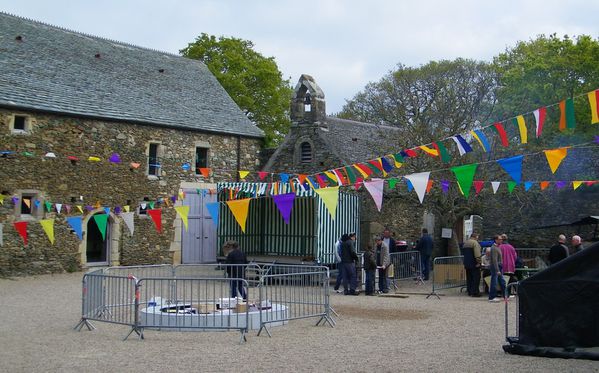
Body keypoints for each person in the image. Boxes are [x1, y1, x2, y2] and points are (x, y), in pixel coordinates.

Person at [462, 233, 482, 297]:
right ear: (475, 237)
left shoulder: (465, 243)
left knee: (469, 278)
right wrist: (479, 262)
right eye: (477, 237)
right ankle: (475, 292)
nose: (477, 238)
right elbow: (477, 254)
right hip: (474, 263)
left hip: (467, 264)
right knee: (476, 278)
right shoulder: (475, 243)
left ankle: (470, 291)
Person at [488, 234, 507, 302]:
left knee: (502, 281)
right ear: (496, 240)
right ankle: (492, 297)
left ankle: (505, 295)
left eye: (501, 239)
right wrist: (497, 269)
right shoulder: (494, 248)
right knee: (494, 282)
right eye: (499, 239)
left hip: (498, 266)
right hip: (496, 266)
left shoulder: (497, 247)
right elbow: (494, 260)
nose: (501, 240)